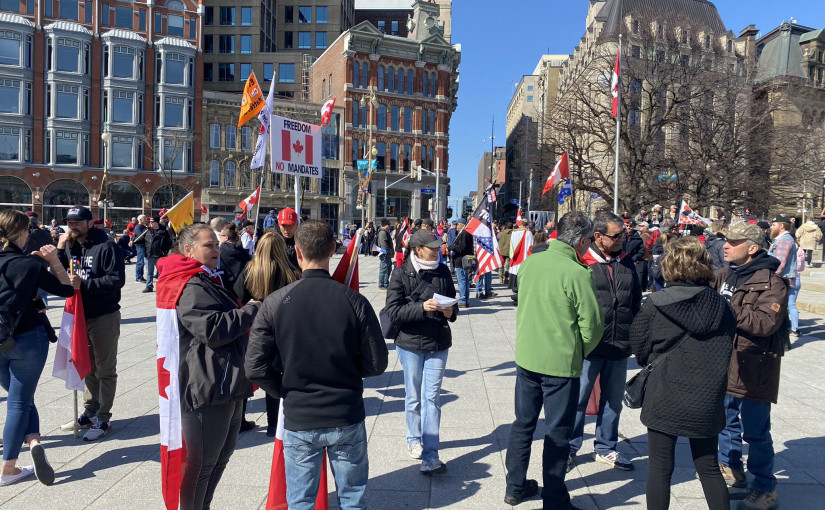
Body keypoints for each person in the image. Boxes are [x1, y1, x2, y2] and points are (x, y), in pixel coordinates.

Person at [245, 220, 388, 510]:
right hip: (344, 412)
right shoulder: (355, 301)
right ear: (333, 250)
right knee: (353, 500)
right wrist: (347, 374)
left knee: (300, 502)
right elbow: (376, 363)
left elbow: (256, 367)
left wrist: (285, 388)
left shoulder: (274, 303)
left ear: (297, 252)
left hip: (301, 416)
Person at [504, 211, 604, 509]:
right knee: (557, 432)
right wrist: (577, 349)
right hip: (559, 364)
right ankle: (555, 500)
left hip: (527, 357)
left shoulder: (531, 262)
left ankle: (514, 487)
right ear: (583, 241)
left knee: (523, 424)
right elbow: (593, 326)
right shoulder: (577, 273)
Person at [157, 223, 260, 510]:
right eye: (208, 245)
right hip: (207, 384)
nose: (216, 249)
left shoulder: (207, 278)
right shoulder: (190, 284)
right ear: (188, 250)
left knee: (221, 456)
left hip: (225, 379)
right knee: (202, 465)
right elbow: (212, 330)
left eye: (216, 244)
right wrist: (252, 309)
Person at [630, 236, 736, 510]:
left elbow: (639, 348)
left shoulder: (656, 303)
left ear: (669, 264)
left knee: (660, 468)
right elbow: (728, 348)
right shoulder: (723, 306)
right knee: (709, 468)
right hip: (707, 396)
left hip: (664, 393)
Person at [714, 223, 788, 510]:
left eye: (733, 241)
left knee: (756, 431)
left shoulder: (773, 282)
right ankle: (732, 470)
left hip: (754, 367)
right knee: (725, 421)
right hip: (724, 362)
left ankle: (765, 486)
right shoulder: (725, 274)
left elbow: (765, 323)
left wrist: (727, 307)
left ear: (753, 248)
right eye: (725, 240)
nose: (725, 246)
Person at [0, 210, 77, 486]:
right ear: (21, 233)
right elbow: (67, 290)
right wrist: (54, 258)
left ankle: (33, 442)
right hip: (27, 339)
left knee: (20, 398)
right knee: (20, 401)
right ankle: (8, 467)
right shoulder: (29, 265)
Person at [569, 212, 641, 472]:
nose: (622, 239)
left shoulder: (626, 261)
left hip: (620, 344)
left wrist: (634, 330)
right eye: (616, 235)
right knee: (578, 399)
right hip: (590, 346)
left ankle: (606, 447)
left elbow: (635, 299)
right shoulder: (582, 261)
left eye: (623, 234)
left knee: (612, 400)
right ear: (597, 237)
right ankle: (569, 447)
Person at [384, 229, 458, 474]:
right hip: (410, 344)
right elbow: (393, 311)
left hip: (438, 342)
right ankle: (413, 439)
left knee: (432, 398)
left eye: (438, 247)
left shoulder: (444, 270)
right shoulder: (400, 272)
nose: (437, 250)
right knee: (414, 396)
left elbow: (452, 303)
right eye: (431, 247)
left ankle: (431, 455)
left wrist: (450, 312)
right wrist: (422, 307)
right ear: (417, 249)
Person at [57, 206, 125, 441]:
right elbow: (61, 272)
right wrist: (58, 248)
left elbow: (116, 280)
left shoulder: (106, 246)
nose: (72, 227)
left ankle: (104, 418)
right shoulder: (71, 245)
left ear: (89, 223)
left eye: (76, 222)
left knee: (105, 369)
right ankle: (90, 410)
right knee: (87, 366)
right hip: (80, 314)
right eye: (69, 222)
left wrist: (84, 285)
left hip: (103, 315)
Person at [234, 232, 300, 436]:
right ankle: (274, 425)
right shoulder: (292, 272)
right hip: (281, 330)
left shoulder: (249, 270)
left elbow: (237, 298)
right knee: (276, 375)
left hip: (253, 329)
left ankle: (240, 420)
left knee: (248, 373)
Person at [218, 224, 251, 296]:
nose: (219, 237)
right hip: (242, 290)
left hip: (224, 289)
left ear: (226, 237)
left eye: (221, 235)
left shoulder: (218, 252)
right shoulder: (244, 252)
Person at [142, 217, 173, 293]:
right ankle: (149, 286)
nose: (151, 223)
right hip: (148, 254)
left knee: (161, 272)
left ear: (156, 222)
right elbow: (140, 240)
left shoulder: (163, 232)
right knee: (149, 272)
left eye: (152, 222)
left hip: (159, 255)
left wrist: (164, 252)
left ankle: (162, 286)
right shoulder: (147, 231)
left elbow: (169, 243)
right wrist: (132, 241)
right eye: (150, 222)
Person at [449, 222, 475, 308]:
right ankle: (465, 299)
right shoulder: (465, 233)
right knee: (465, 280)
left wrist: (451, 247)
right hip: (463, 260)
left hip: (461, 260)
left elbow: (462, 248)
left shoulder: (464, 233)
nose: (456, 226)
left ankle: (462, 300)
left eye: (458, 224)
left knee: (462, 281)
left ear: (462, 225)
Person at [788, 239, 806, 341]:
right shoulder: (800, 250)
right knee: (792, 305)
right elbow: (802, 267)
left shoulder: (787, 248)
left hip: (787, 278)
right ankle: (795, 328)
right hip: (797, 278)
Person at [376, 219, 395, 289]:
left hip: (386, 253)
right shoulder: (382, 233)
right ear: (386, 225)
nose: (390, 226)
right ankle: (382, 284)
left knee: (388, 269)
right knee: (384, 269)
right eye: (389, 225)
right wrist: (388, 251)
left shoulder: (385, 232)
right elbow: (384, 244)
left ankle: (386, 283)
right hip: (384, 254)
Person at [131, 215, 148, 282]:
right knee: (140, 261)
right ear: (140, 220)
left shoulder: (144, 227)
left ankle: (141, 276)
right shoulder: (138, 227)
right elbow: (140, 236)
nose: (146, 220)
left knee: (143, 261)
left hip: (144, 245)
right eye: (144, 219)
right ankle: (138, 277)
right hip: (140, 246)